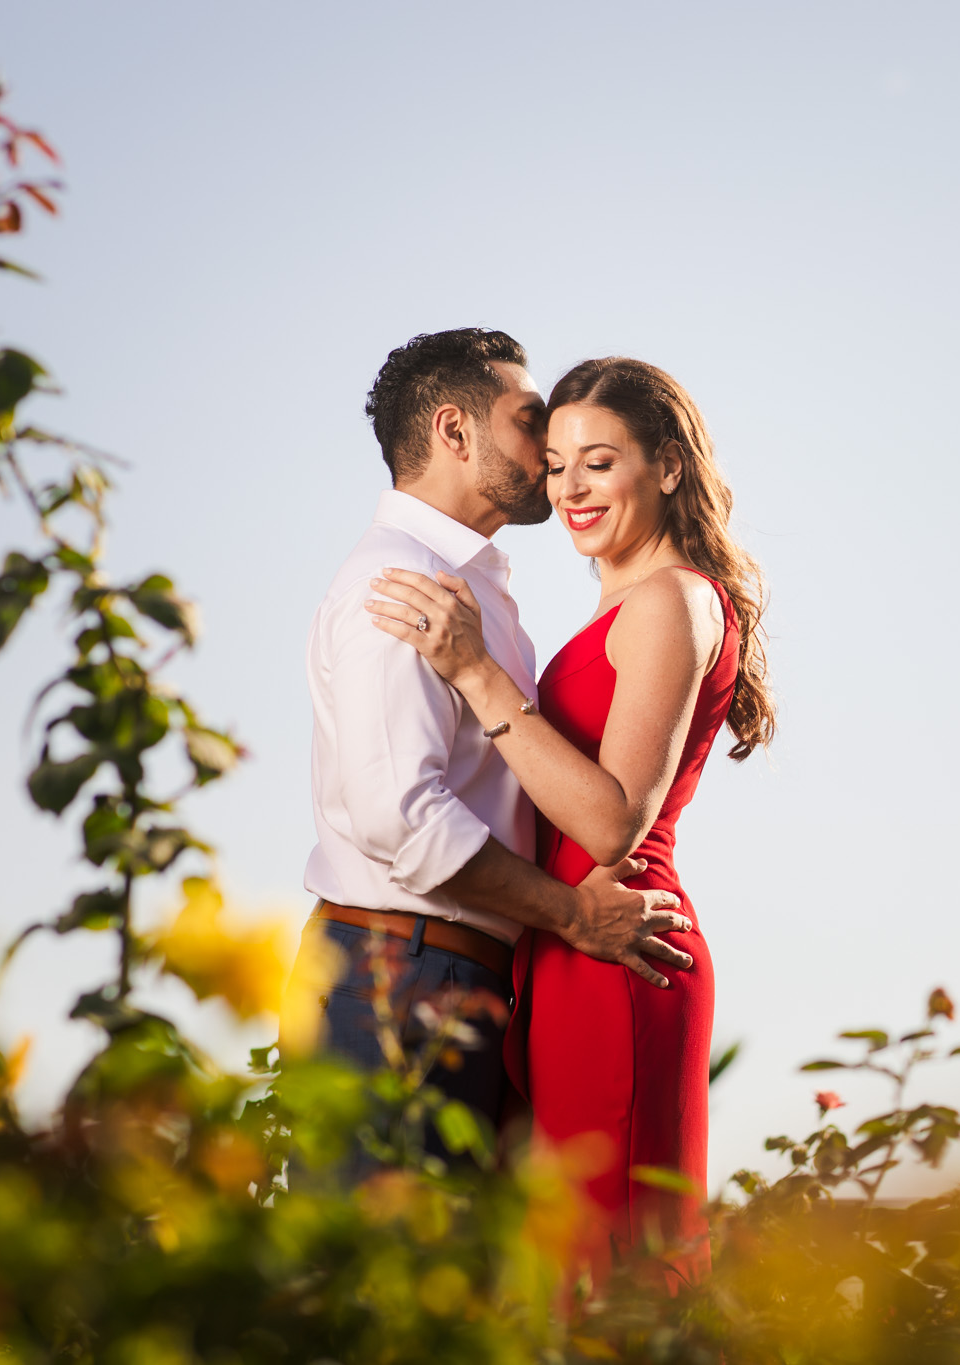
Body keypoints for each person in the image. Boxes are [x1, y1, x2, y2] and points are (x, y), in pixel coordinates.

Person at [366, 356, 772, 1277]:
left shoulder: (672, 600)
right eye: (556, 463)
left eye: (600, 460)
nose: (571, 488)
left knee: (615, 1260)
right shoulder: (625, 602)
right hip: (566, 948)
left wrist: (475, 673)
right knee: (560, 1266)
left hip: (622, 945)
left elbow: (612, 823)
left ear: (668, 466)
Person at [287, 330, 693, 1184]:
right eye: (529, 420)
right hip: (395, 977)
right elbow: (401, 819)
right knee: (386, 1294)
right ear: (454, 431)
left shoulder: (474, 591)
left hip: (455, 978)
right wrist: (573, 915)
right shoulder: (398, 586)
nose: (548, 449)